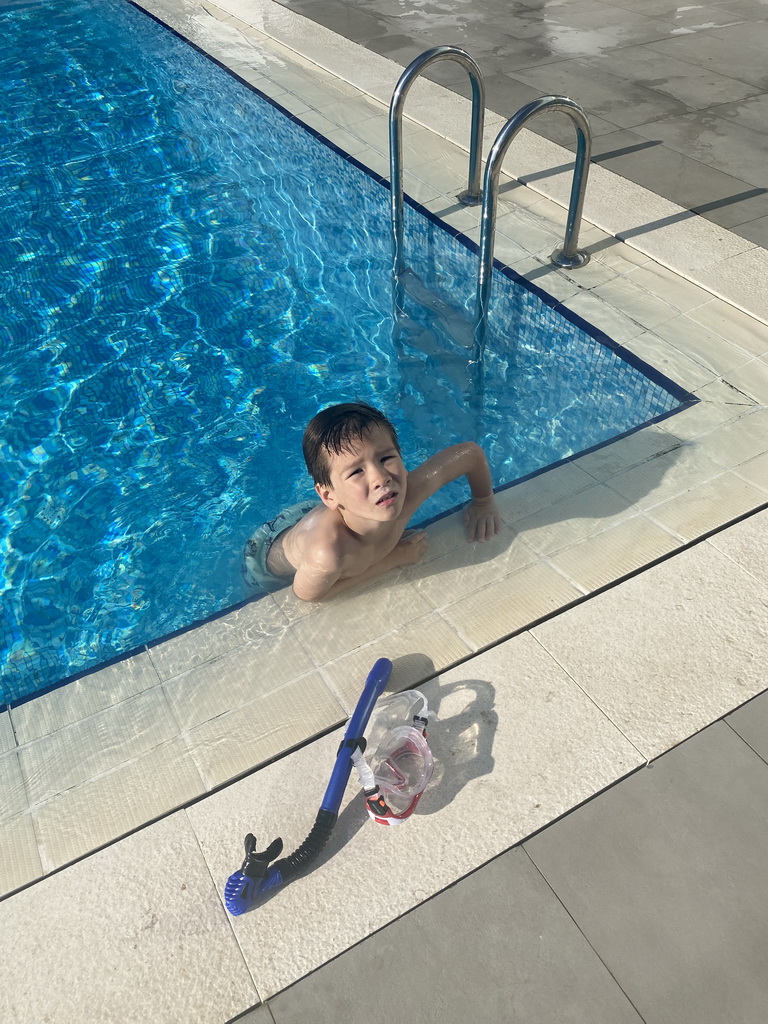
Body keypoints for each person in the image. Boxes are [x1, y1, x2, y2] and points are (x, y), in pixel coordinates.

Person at [243, 401, 501, 601]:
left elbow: (470, 454)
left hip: (323, 513)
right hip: (266, 556)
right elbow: (308, 594)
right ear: (329, 495)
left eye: (386, 458)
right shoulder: (327, 554)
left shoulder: (406, 492)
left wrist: (483, 502)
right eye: (356, 471)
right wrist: (392, 559)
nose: (381, 478)